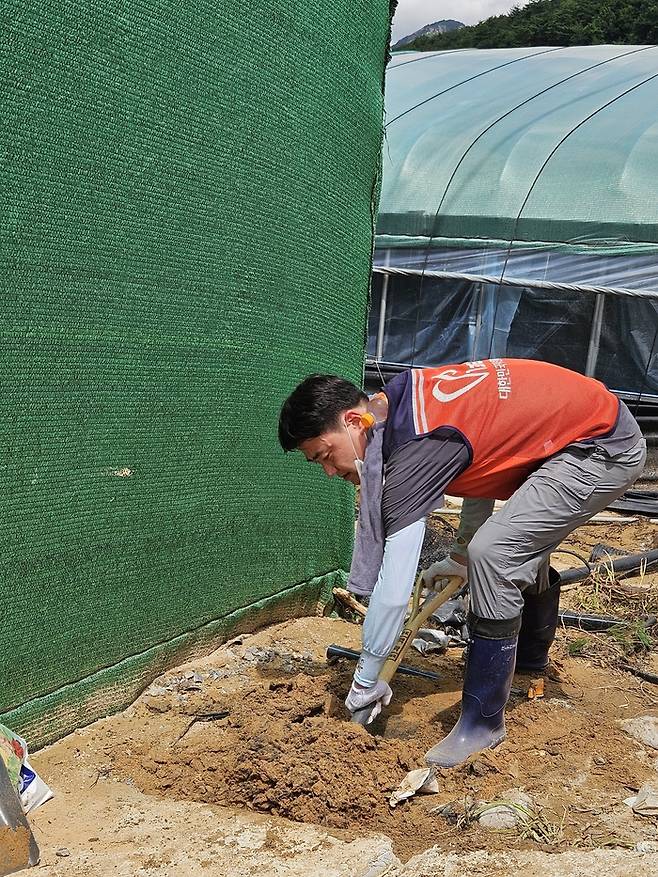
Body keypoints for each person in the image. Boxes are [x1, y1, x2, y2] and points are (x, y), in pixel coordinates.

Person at [277, 359, 646, 767]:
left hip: (601, 446)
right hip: (572, 433)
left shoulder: (413, 452)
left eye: (325, 455)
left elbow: (395, 589)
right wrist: (459, 555)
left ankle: (481, 723)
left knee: (496, 552)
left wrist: (366, 679)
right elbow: (480, 457)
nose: (330, 471)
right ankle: (527, 663)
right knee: (504, 543)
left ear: (352, 420)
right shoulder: (400, 403)